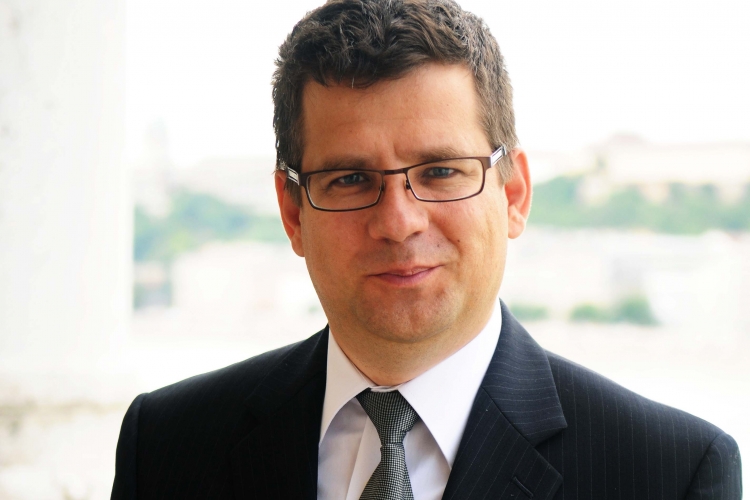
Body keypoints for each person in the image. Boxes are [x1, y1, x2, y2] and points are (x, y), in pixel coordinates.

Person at [111, 0, 742, 499]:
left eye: (440, 171)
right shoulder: (167, 445)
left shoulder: (670, 472)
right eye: (350, 179)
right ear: (292, 212)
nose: (398, 222)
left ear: (514, 194)